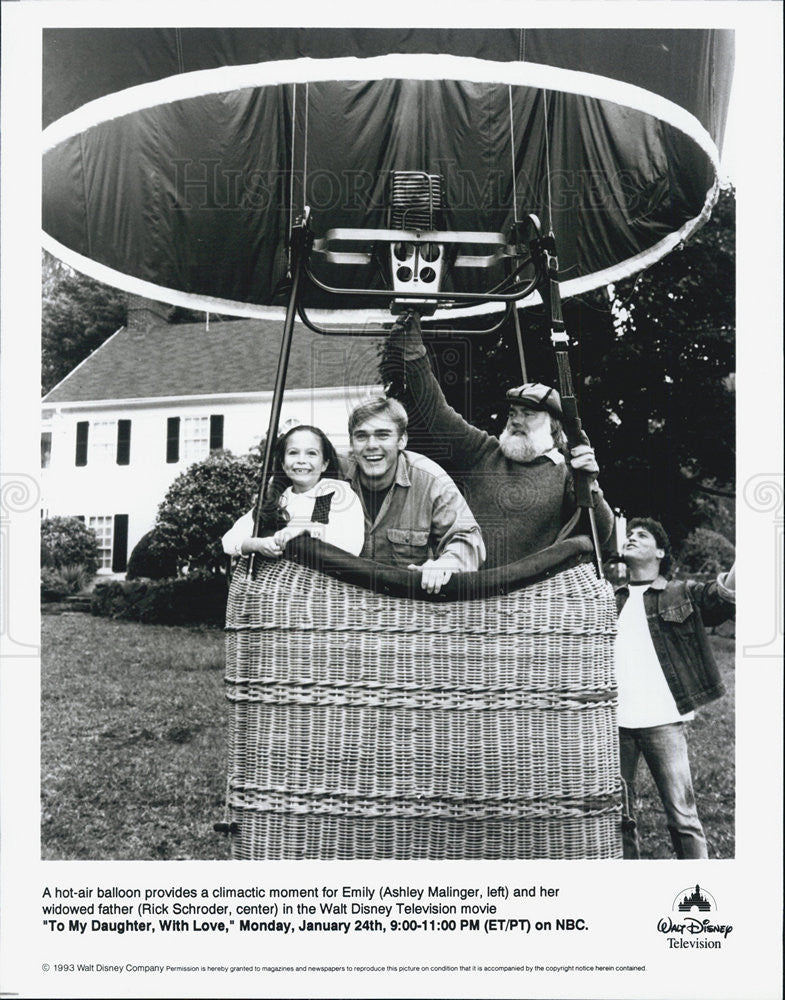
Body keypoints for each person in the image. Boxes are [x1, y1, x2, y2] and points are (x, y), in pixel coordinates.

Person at [382, 312, 614, 567]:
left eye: (528, 414)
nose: (516, 419)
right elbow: (437, 412)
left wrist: (590, 484)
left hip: (529, 599)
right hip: (468, 591)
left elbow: (600, 534)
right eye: (513, 413)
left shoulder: (567, 474)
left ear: (554, 427)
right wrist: (414, 353)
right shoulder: (484, 451)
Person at [615, 517, 736, 859]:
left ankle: (695, 891)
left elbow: (723, 596)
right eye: (630, 534)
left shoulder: (681, 592)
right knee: (618, 818)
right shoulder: (610, 599)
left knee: (683, 818)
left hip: (663, 720)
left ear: (660, 552)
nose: (632, 538)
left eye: (642, 535)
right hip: (615, 723)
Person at [345, 395, 485, 593]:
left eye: (383, 435)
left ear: (402, 440)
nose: (371, 445)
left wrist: (445, 565)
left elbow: (467, 538)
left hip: (408, 607)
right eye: (361, 436)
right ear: (351, 443)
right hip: (344, 604)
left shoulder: (431, 480)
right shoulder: (336, 478)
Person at [222, 424, 364, 559]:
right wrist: (258, 545)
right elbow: (228, 541)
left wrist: (305, 529)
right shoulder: (278, 499)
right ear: (283, 464)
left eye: (311, 453)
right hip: (273, 581)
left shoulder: (331, 493)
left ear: (324, 464)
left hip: (317, 582)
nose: (301, 460)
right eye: (293, 453)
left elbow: (351, 546)